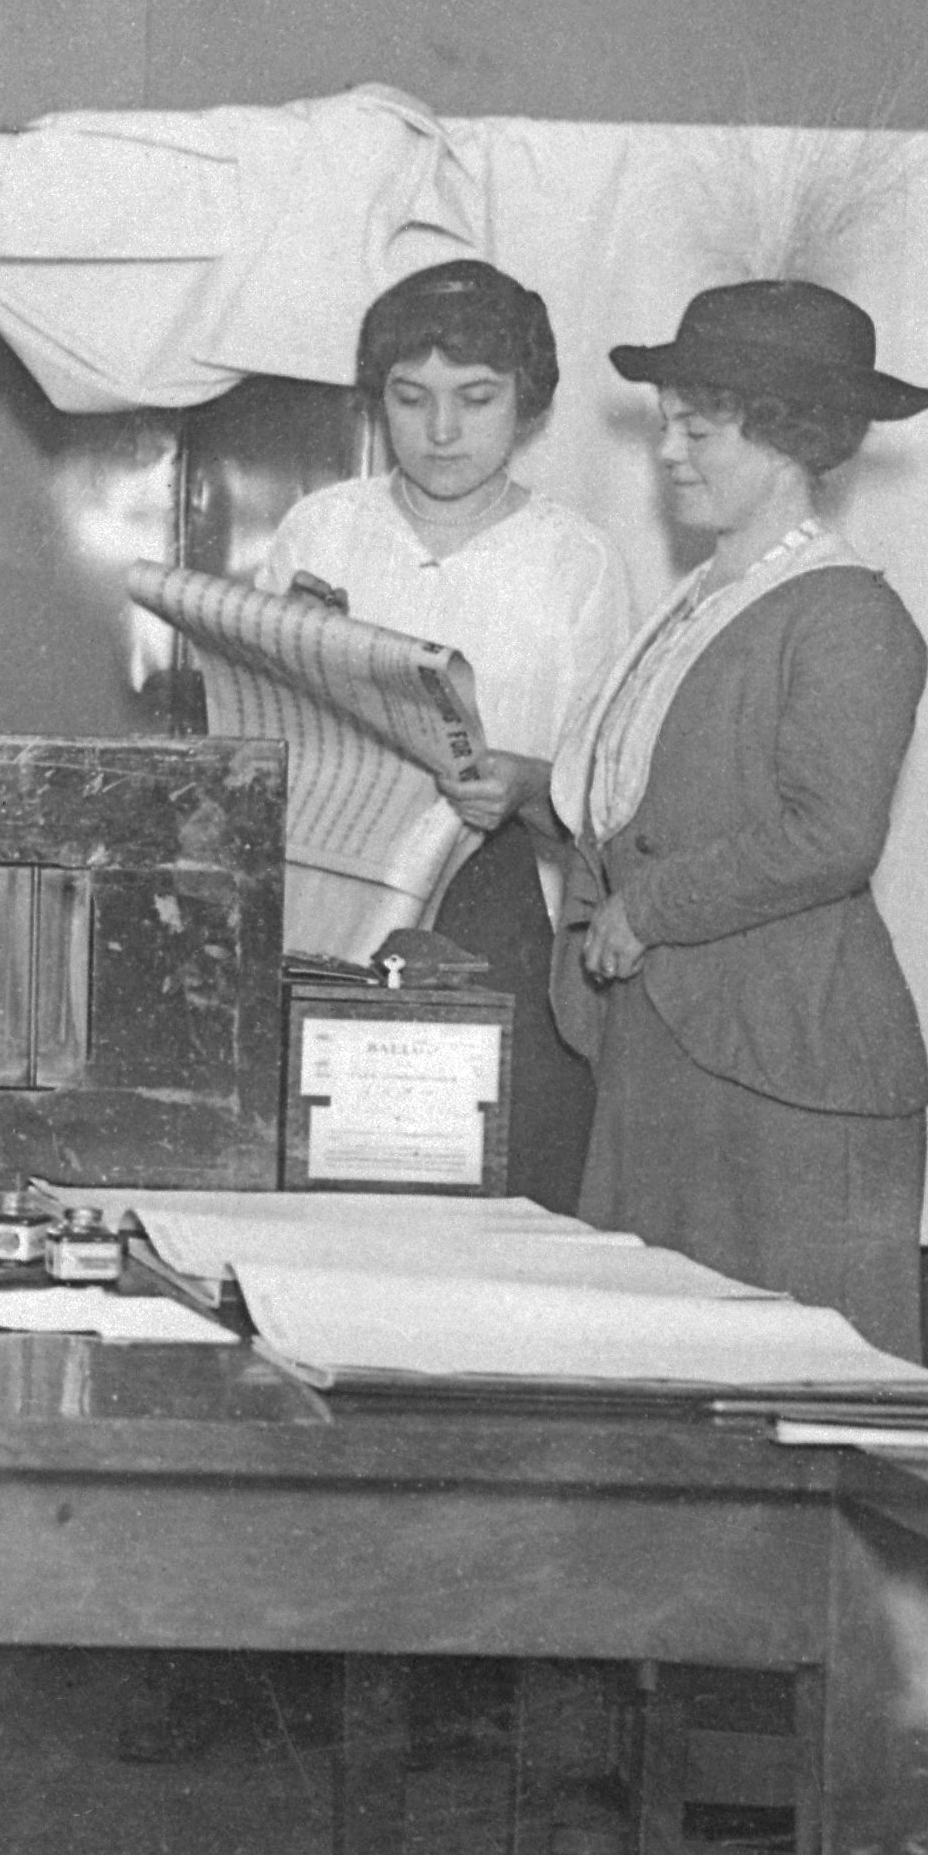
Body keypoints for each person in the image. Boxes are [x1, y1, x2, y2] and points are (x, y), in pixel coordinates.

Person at [553, 279, 928, 1356]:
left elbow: (830, 834)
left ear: (783, 435)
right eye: (666, 423)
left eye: (697, 426)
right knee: (658, 1388)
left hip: (782, 1076)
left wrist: (650, 907)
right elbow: (650, 798)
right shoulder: (709, 594)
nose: (667, 451)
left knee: (785, 1403)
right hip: (673, 1050)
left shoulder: (845, 613)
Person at [255, 259, 634, 1205]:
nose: (440, 431)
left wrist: (524, 783)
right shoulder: (320, 530)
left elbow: (612, 794)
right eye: (409, 397)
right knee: (328, 1184)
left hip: (500, 914)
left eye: (475, 397)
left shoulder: (573, 560)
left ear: (529, 405)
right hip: (330, 908)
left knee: (484, 1190)